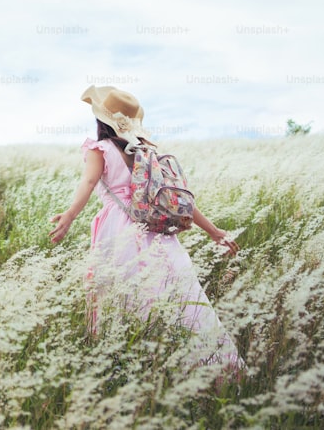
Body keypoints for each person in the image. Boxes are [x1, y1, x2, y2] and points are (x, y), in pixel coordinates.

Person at [49, 85, 243, 372]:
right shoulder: (146, 151)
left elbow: (88, 183)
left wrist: (69, 215)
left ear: (101, 119)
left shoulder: (99, 148)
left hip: (119, 229)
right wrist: (214, 231)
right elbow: (177, 199)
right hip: (154, 230)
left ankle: (130, 365)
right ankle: (205, 366)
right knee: (178, 295)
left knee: (123, 294)